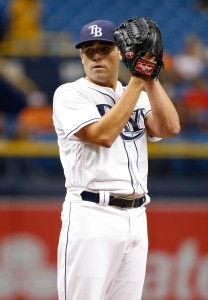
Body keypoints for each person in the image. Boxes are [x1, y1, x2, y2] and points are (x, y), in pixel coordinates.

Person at [52, 19, 180, 300]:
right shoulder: (70, 94)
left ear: (121, 52)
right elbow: (102, 135)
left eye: (104, 48)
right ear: (81, 56)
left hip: (136, 216)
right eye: (89, 50)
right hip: (92, 214)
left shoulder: (131, 91)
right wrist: (137, 80)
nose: (96, 55)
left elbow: (168, 128)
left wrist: (151, 76)